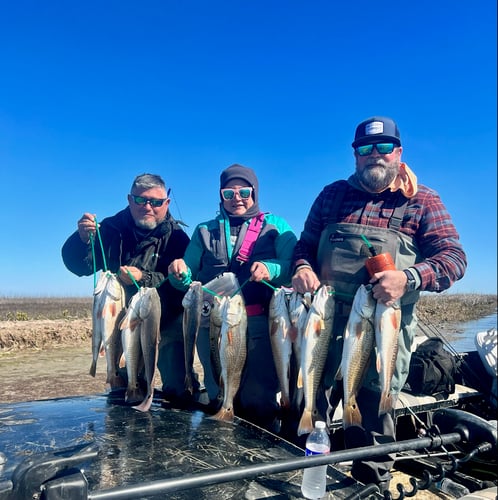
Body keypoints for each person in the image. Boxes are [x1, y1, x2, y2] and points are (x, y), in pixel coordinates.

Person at [291, 116, 467, 491]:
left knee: (372, 420)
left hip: (382, 328)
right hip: (323, 325)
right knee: (311, 407)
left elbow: (454, 258)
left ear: (398, 153)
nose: (375, 155)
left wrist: (409, 278)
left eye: (384, 147)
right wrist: (303, 267)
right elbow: (303, 247)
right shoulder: (331, 195)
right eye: (365, 149)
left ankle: (369, 488)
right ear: (355, 156)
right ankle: (307, 483)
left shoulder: (422, 201)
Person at [168, 163, 297, 431]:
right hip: (213, 325)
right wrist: (179, 273)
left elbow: (293, 267)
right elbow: (187, 279)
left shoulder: (276, 226)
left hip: (262, 324)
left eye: (244, 192)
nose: (237, 199)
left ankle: (261, 457)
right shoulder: (204, 230)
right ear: (221, 195)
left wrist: (272, 268)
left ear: (255, 193)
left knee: (258, 397)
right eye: (229, 193)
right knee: (220, 389)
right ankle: (223, 451)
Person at [62, 173, 194, 404]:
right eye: (141, 200)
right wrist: (81, 239)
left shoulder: (179, 238)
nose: (148, 207)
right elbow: (80, 267)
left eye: (156, 201)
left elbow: (181, 284)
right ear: (129, 199)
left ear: (167, 203)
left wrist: (143, 277)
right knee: (126, 388)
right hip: (123, 321)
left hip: (168, 319)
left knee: (178, 386)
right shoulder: (111, 228)